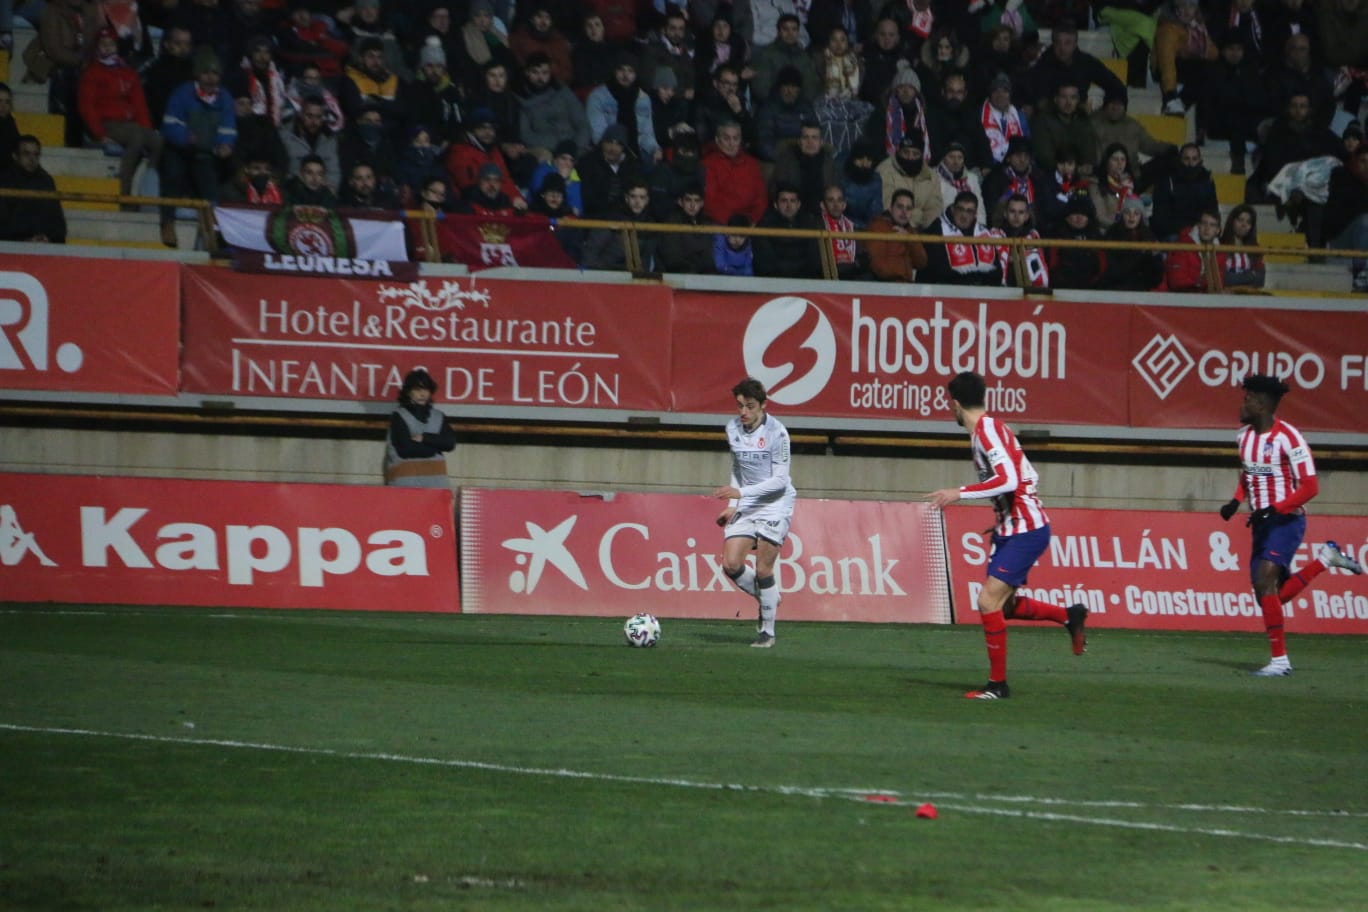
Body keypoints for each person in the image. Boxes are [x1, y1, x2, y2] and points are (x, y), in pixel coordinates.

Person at [927, 371, 1089, 700]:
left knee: (987, 601)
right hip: (1013, 525)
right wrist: (1002, 516)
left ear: (955, 405)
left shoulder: (986, 431)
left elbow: (1009, 480)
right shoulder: (988, 430)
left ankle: (997, 686)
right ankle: (1069, 615)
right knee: (1006, 605)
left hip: (1026, 529)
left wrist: (958, 492)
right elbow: (1021, 477)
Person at [1217, 374, 1363, 677]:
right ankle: (1325, 559)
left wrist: (1274, 509)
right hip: (1261, 523)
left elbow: (1310, 487)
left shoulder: (1289, 438)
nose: (1242, 404)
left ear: (1260, 404)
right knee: (1269, 594)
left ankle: (1280, 662)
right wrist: (1235, 500)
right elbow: (1250, 473)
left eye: (1247, 399)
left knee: (1265, 578)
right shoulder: (1243, 437)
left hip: (1287, 520)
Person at [712, 377, 796, 649]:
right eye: (739, 406)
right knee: (731, 565)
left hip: (775, 503)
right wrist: (734, 505)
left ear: (763, 405)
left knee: (763, 568)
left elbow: (780, 480)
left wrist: (741, 495)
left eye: (749, 407)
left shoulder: (778, 433)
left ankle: (767, 633)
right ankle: (768, 596)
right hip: (747, 502)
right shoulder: (732, 429)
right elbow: (738, 469)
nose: (743, 413)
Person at [79, 26, 162, 205]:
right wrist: (99, 134)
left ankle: (146, 184)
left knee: (157, 141)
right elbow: (87, 106)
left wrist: (147, 128)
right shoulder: (93, 72)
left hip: (131, 124)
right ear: (97, 47)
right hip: (108, 124)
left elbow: (139, 104)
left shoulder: (128, 72)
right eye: (103, 44)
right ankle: (124, 193)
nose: (108, 48)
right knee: (137, 136)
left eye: (111, 44)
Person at [383, 368, 457, 488]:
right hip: (405, 486)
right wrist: (436, 447)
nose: (423, 394)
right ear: (408, 392)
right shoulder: (399, 416)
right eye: (418, 390)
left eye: (426, 390)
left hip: (436, 487)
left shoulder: (438, 416)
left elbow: (450, 443)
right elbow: (406, 449)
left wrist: (425, 438)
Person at [919, 191, 1000, 285]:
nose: (964, 216)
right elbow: (937, 269)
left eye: (969, 211)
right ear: (953, 209)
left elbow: (997, 271)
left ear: (975, 214)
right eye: (960, 209)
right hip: (945, 288)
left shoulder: (983, 232)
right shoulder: (937, 228)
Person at [0, 135, 66, 243]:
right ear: (15, 156)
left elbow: (57, 221)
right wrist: (24, 241)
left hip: (44, 246)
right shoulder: (4, 181)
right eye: (26, 154)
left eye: (36, 154)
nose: (32, 159)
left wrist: (48, 238)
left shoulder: (46, 181)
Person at [701, 121, 767, 225]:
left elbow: (761, 198)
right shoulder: (707, 164)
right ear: (717, 140)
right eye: (726, 138)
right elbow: (709, 202)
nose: (731, 144)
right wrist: (732, 224)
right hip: (719, 223)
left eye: (736, 138)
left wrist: (752, 220)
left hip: (750, 224)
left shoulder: (752, 164)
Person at [865, 188, 929, 282]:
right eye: (900, 206)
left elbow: (921, 263)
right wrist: (902, 275)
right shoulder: (878, 227)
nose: (904, 212)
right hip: (883, 285)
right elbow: (878, 266)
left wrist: (910, 240)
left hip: (906, 287)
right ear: (891, 208)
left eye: (908, 208)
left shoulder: (910, 231)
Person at [1165, 208, 1222, 292]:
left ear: (1218, 230)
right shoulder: (1183, 246)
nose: (1207, 228)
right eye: (1204, 223)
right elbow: (1177, 282)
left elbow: (1219, 284)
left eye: (1212, 225)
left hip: (1205, 297)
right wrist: (1202, 284)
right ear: (1198, 225)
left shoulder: (1220, 251)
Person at [1219, 204, 1266, 290]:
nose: (1244, 224)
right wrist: (1250, 275)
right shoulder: (1220, 246)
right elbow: (1224, 279)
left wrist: (1236, 278)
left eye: (1248, 222)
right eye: (1240, 220)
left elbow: (1260, 280)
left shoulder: (1255, 248)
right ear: (1232, 221)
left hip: (1249, 297)